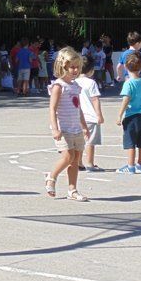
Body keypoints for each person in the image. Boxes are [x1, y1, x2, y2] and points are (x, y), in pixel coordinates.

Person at [43, 47, 89, 201]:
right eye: (72, 67)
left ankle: (72, 190)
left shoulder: (76, 86)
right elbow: (52, 108)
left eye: (77, 67)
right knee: (67, 156)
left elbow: (78, 108)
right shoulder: (58, 85)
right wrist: (55, 129)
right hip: (63, 129)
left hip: (75, 128)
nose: (75, 70)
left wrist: (84, 126)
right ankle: (51, 176)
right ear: (63, 67)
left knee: (75, 160)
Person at [115, 52, 141, 174]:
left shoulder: (129, 83)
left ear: (125, 67)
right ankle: (140, 164)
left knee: (130, 143)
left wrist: (119, 115)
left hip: (131, 117)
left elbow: (126, 100)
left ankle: (130, 166)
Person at [76, 57, 104, 172]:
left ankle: (79, 163)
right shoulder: (91, 82)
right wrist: (99, 115)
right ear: (91, 70)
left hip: (77, 116)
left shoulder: (74, 81)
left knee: (79, 142)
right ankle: (90, 163)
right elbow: (95, 99)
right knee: (90, 142)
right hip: (90, 117)